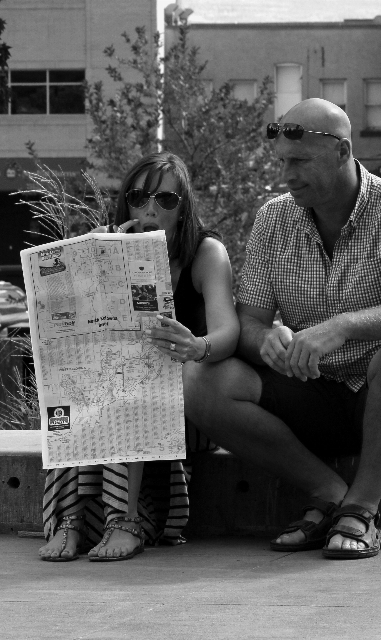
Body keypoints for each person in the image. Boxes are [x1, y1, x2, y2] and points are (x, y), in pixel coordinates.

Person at [186, 98, 381, 560]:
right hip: (315, 394)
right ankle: (328, 490)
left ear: (342, 151)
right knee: (202, 381)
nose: (287, 175)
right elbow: (248, 322)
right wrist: (266, 341)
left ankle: (361, 509)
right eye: (282, 163)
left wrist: (344, 326)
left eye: (300, 162)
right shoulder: (274, 218)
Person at [38, 151, 239, 562]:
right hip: (122, 395)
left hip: (188, 405)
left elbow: (229, 332)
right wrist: (99, 259)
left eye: (166, 201)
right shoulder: (107, 242)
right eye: (139, 197)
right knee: (83, 391)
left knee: (127, 384)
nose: (150, 209)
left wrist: (197, 346)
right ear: (126, 202)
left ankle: (125, 519)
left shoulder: (206, 253)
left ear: (183, 211)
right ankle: (70, 521)